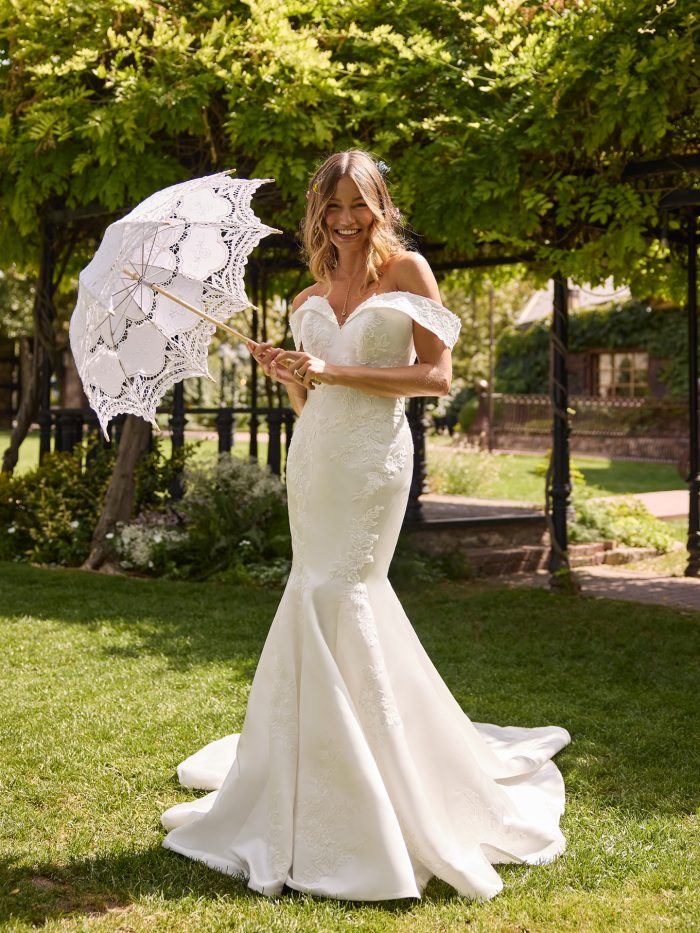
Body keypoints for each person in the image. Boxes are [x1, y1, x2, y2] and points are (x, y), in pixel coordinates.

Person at [160, 150, 571, 902]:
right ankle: (314, 767)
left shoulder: (409, 272)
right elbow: (313, 406)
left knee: (346, 590)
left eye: (360, 204)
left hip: (376, 457)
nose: (346, 218)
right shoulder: (302, 297)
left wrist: (333, 368)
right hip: (316, 457)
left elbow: (436, 377)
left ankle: (386, 778)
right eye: (332, 206)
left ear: (381, 206)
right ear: (316, 213)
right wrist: (293, 380)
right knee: (310, 590)